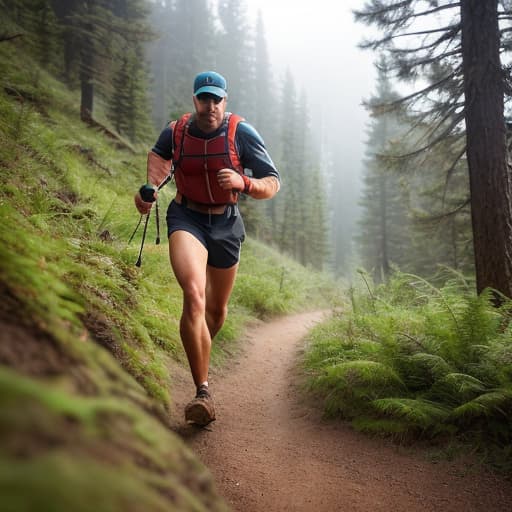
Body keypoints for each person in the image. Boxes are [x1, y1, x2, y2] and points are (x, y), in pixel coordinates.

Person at [134, 71, 280, 426]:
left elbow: (272, 183)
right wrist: (147, 191)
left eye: (216, 99)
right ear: (194, 99)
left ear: (224, 102)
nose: (210, 105)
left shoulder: (241, 133)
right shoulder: (176, 131)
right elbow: (158, 158)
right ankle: (203, 392)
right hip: (187, 217)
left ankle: (200, 351)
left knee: (216, 310)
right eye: (204, 98)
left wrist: (243, 181)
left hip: (227, 224)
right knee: (194, 295)